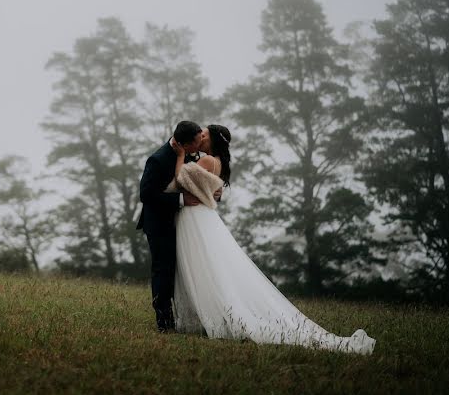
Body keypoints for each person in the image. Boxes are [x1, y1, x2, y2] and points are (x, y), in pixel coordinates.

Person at [168, 124, 376, 354]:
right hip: (202, 216)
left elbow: (181, 179)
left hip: (196, 217)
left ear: (212, 140)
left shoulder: (208, 162)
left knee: (199, 265)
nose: (200, 137)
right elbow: (208, 189)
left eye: (204, 135)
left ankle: (210, 317)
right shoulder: (216, 163)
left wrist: (179, 156)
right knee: (205, 266)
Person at [136, 120, 205, 333]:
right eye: (196, 142)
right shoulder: (157, 160)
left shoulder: (192, 155)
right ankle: (164, 323)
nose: (200, 145)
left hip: (183, 224)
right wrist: (180, 200)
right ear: (185, 145)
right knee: (163, 271)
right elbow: (146, 195)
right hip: (159, 225)